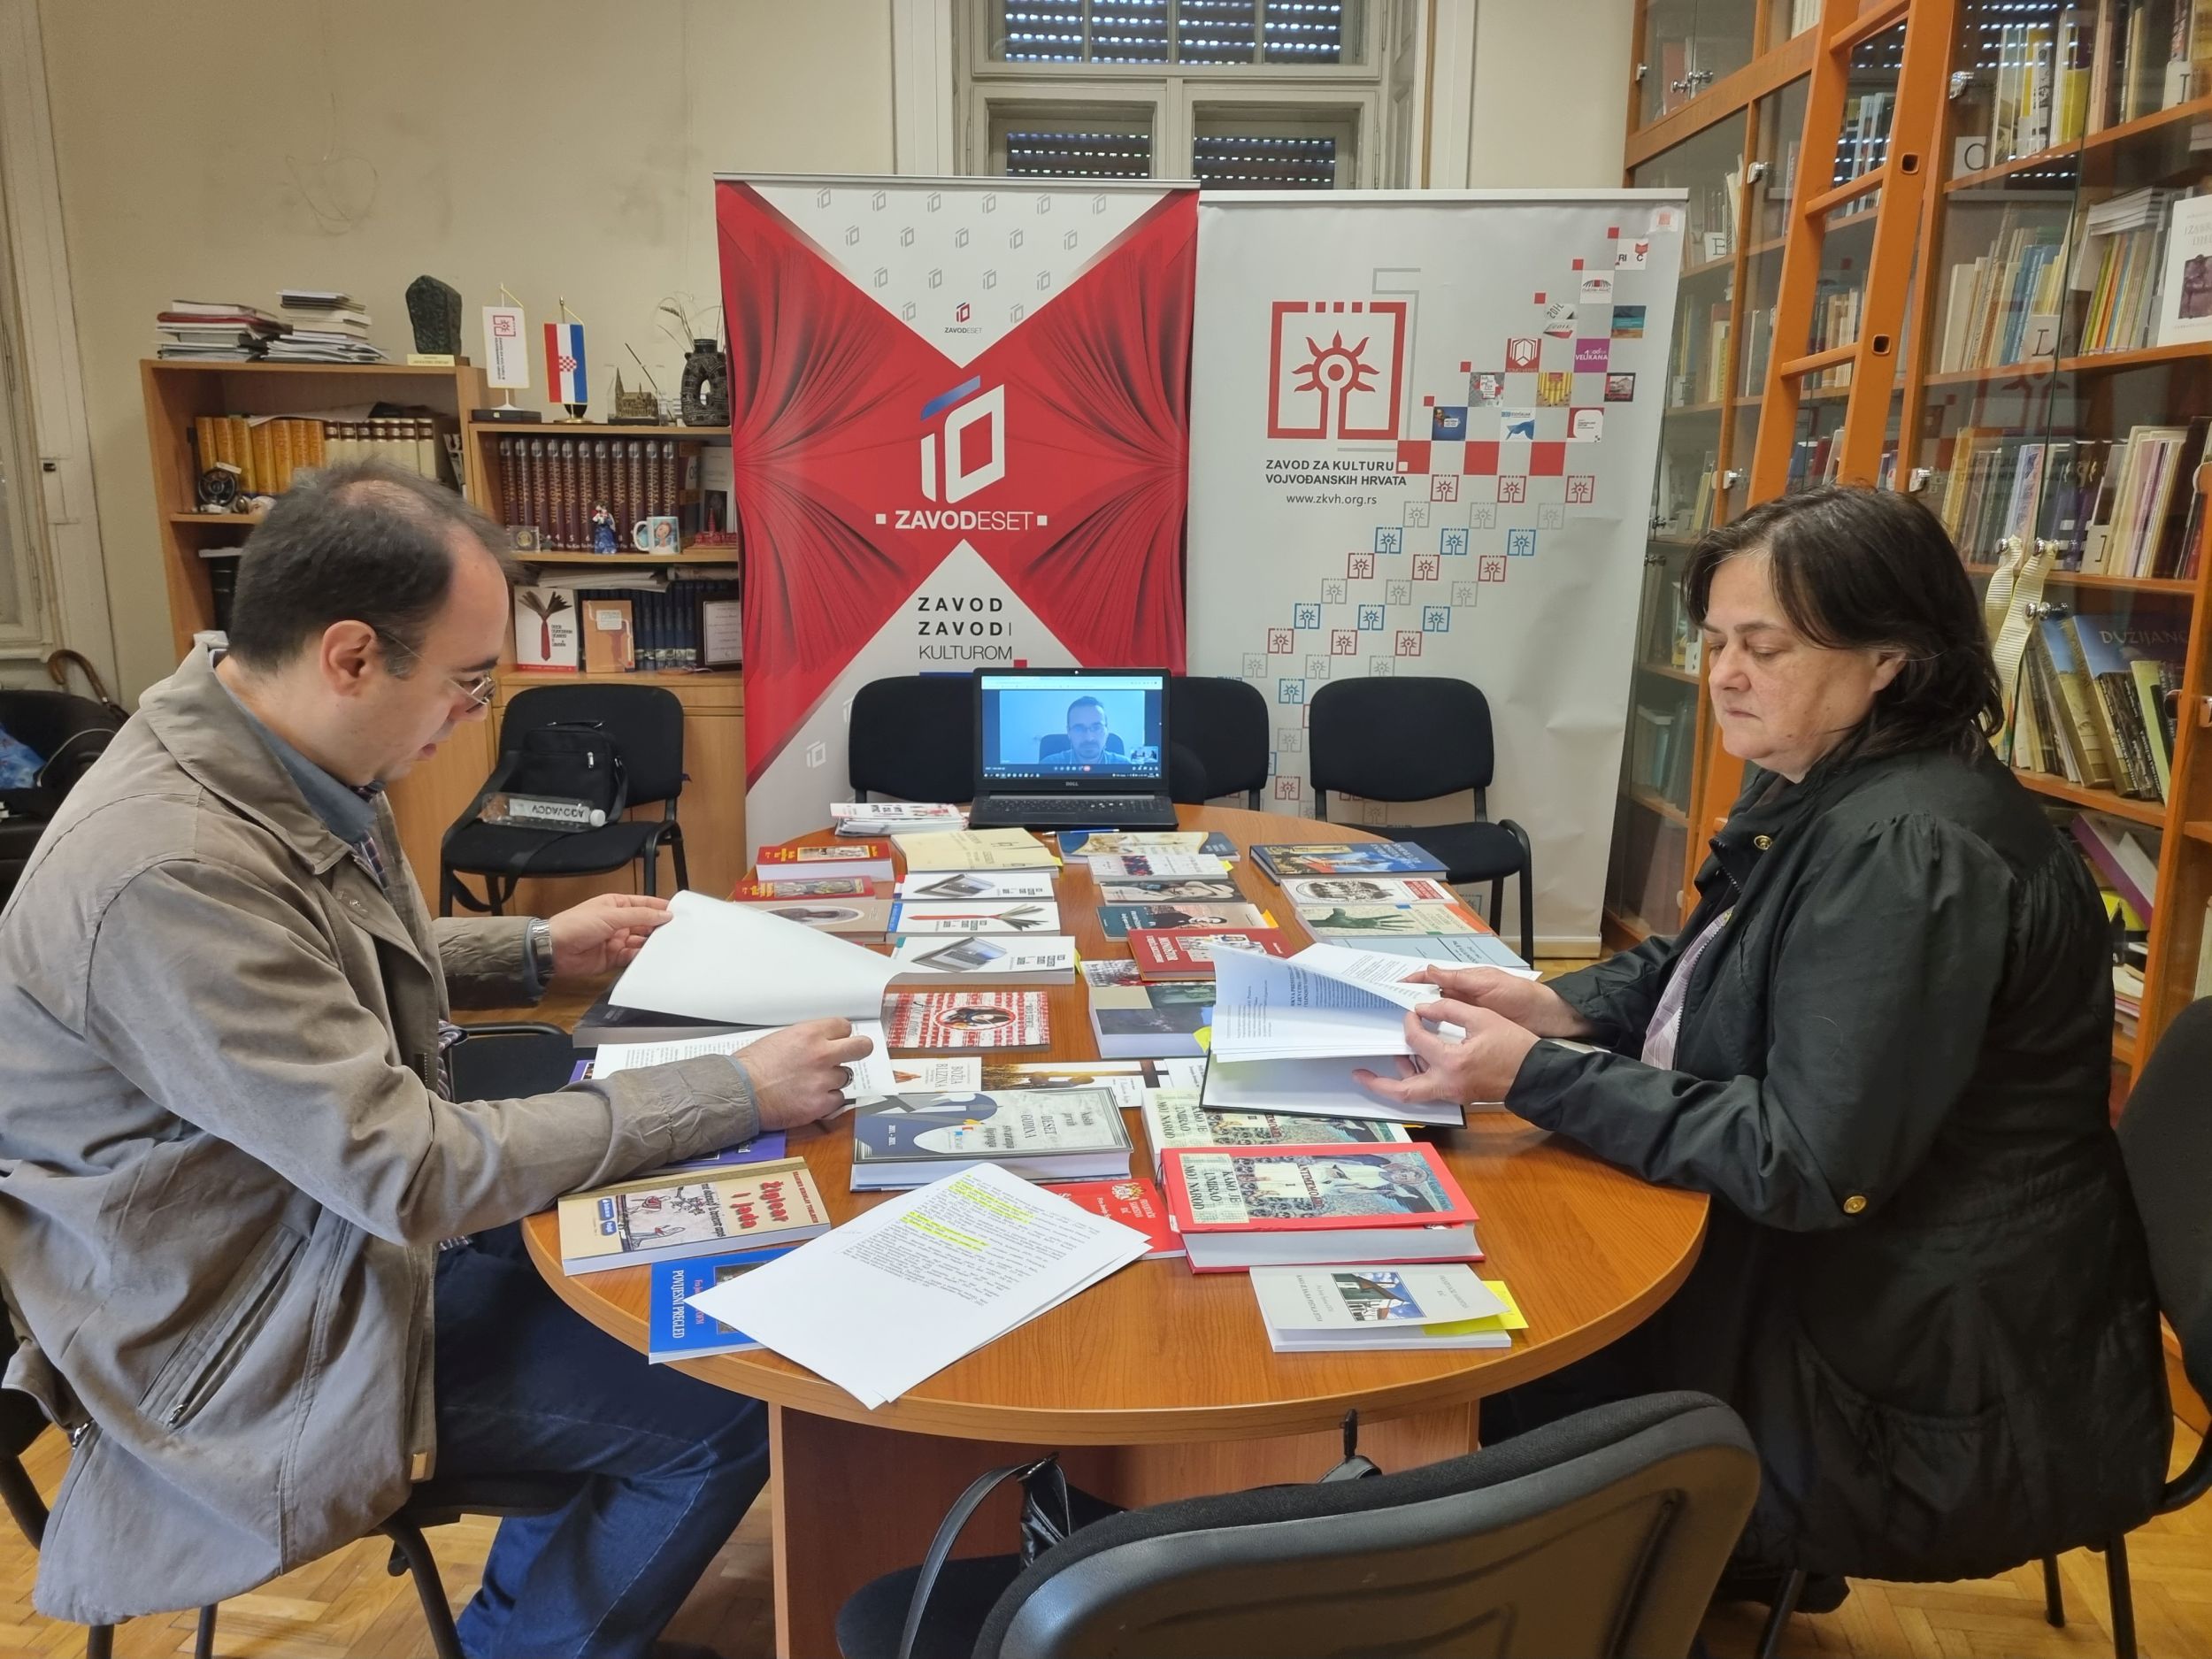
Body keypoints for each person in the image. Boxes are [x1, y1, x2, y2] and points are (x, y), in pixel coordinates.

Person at [0, 462, 871, 1657]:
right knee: (722, 1399)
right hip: (257, 1341)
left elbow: (306, 964)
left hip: (323, 1244)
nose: (475, 712)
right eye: (469, 682)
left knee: (691, 1247)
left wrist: (533, 946)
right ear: (353, 656)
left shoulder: (271, 752)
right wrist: (733, 1087)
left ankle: (527, 1615)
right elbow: (409, 1171)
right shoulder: (170, 867)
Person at [1356, 486, 2169, 1600]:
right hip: (1860, 1266)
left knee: (1508, 1336)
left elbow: (1806, 1161)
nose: (1724, 675)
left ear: (1888, 659)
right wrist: (1557, 1009)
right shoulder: (1839, 781)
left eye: (1764, 647)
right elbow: (1719, 958)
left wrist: (1537, 1075)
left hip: (1907, 1350)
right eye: (1715, 643)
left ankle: (1648, 1585)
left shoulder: (1910, 849)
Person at [1042, 695, 1125, 764]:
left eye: (1097, 728)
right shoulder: (1048, 765)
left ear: (1107, 730)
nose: (1089, 738)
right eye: (1079, 729)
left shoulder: (1125, 766)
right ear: (1069, 732)